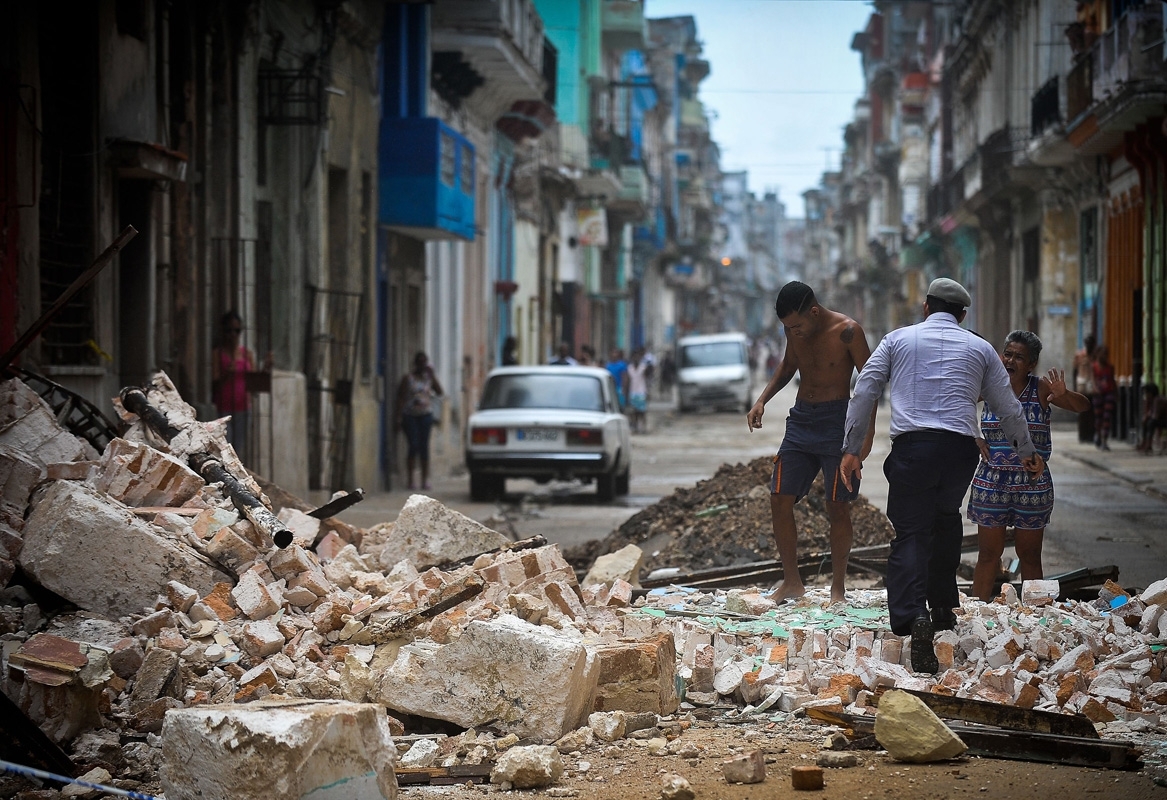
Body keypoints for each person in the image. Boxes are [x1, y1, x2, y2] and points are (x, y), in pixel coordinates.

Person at [839, 278, 1044, 674]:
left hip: (914, 449)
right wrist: (1027, 452)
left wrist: (851, 449)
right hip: (959, 452)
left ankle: (913, 614)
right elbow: (1008, 406)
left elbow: (865, 389)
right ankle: (944, 607)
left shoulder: (898, 340)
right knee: (946, 519)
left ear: (925, 307)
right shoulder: (981, 348)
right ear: (963, 314)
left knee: (912, 532)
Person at [746, 281, 875, 604]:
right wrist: (762, 399)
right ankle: (792, 582)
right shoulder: (795, 332)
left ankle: (838, 589)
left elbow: (870, 384)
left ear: (814, 312)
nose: (794, 332)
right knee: (779, 496)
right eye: (788, 328)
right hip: (801, 421)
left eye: (797, 325)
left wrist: (864, 438)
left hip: (837, 423)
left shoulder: (849, 331)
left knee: (837, 505)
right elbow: (788, 366)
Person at [967, 331, 1091, 601]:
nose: (1010, 360)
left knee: (1030, 555)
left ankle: (1035, 619)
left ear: (1031, 364)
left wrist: (1064, 393)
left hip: (1032, 485)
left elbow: (1083, 406)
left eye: (1019, 357)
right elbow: (956, 405)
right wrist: (974, 437)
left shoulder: (1041, 389)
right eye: (1008, 354)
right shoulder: (988, 387)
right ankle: (975, 612)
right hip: (991, 482)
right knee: (988, 555)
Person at [396, 352, 444, 491]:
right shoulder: (408, 378)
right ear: (415, 363)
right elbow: (400, 398)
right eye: (420, 362)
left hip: (425, 416)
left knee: (424, 447)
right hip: (410, 416)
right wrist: (398, 418)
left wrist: (432, 375)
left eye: (425, 362)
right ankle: (411, 480)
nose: (422, 365)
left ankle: (424, 480)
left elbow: (440, 392)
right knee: (413, 445)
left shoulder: (428, 379)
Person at [212, 310, 256, 462]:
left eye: (236, 331)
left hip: (243, 407)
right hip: (223, 407)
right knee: (225, 447)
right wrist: (227, 375)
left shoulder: (246, 354)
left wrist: (266, 370)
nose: (232, 335)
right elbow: (214, 381)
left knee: (238, 448)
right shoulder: (218, 354)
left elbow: (253, 379)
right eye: (229, 330)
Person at [1091, 344, 1117, 450]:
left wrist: (1116, 393)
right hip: (1098, 394)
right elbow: (1092, 380)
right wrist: (1095, 389)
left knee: (1107, 417)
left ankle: (1104, 440)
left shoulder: (1110, 367)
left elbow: (1112, 380)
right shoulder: (1094, 367)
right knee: (1098, 417)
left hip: (1108, 393)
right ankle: (1098, 435)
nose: (1104, 356)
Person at [1073, 334, 1097, 443]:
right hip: (1082, 386)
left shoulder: (1096, 356)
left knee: (1092, 412)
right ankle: (1083, 435)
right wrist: (1074, 388)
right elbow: (1075, 371)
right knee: (1083, 412)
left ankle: (1091, 435)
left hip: (1093, 386)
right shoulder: (1080, 355)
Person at [1138, 383, 1167, 453]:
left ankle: (1148, 444)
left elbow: (1155, 416)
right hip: (1162, 420)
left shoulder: (1157, 400)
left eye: (1147, 393)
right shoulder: (1153, 400)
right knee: (1148, 422)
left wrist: (1147, 417)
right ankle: (1145, 443)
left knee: (1151, 423)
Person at [626, 348, 650, 433]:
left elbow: (647, 379)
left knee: (642, 412)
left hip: (641, 392)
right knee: (634, 412)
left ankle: (643, 428)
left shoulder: (643, 367)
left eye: (638, 356)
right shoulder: (630, 368)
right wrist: (626, 393)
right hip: (633, 392)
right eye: (634, 357)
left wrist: (648, 392)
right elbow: (628, 381)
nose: (636, 358)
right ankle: (635, 427)